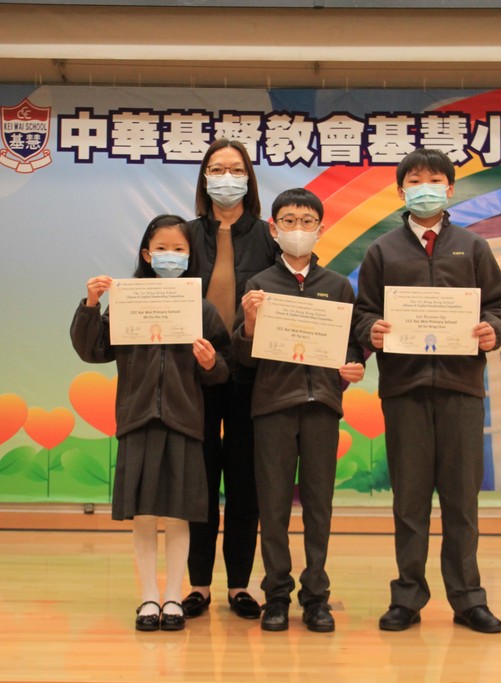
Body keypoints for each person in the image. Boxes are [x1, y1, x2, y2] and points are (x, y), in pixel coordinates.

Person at [353, 148, 501, 634]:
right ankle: (407, 596)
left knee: (462, 501)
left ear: (450, 188)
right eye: (415, 180)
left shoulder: (474, 247)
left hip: (462, 390)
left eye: (434, 180)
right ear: (401, 190)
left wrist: (491, 329)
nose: (425, 188)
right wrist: (371, 331)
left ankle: (468, 599)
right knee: (410, 501)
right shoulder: (382, 251)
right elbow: (363, 313)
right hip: (404, 390)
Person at [70, 214, 231, 632]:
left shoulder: (202, 309)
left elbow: (223, 369)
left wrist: (211, 363)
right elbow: (93, 350)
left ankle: (174, 597)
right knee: (143, 515)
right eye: (161, 249)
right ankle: (148, 598)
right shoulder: (126, 302)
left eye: (179, 249)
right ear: (146, 254)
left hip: (184, 420)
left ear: (190, 256)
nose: (170, 256)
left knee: (179, 515)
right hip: (138, 418)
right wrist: (91, 305)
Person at [233, 188, 365, 632]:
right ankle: (276, 595)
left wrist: (354, 365)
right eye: (288, 221)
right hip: (273, 406)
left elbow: (352, 345)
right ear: (274, 229)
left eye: (307, 221)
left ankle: (316, 596)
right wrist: (250, 324)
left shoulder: (338, 285)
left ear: (320, 229)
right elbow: (245, 359)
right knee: (272, 506)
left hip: (323, 406)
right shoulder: (258, 285)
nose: (298, 229)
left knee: (318, 506)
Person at [181, 139, 278, 620]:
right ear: (204, 177)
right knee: (198, 482)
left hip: (251, 375)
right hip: (195, 375)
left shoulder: (268, 236)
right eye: (216, 168)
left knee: (244, 483)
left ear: (249, 178)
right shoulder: (183, 234)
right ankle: (198, 585)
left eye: (235, 169)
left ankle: (240, 585)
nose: (226, 177)